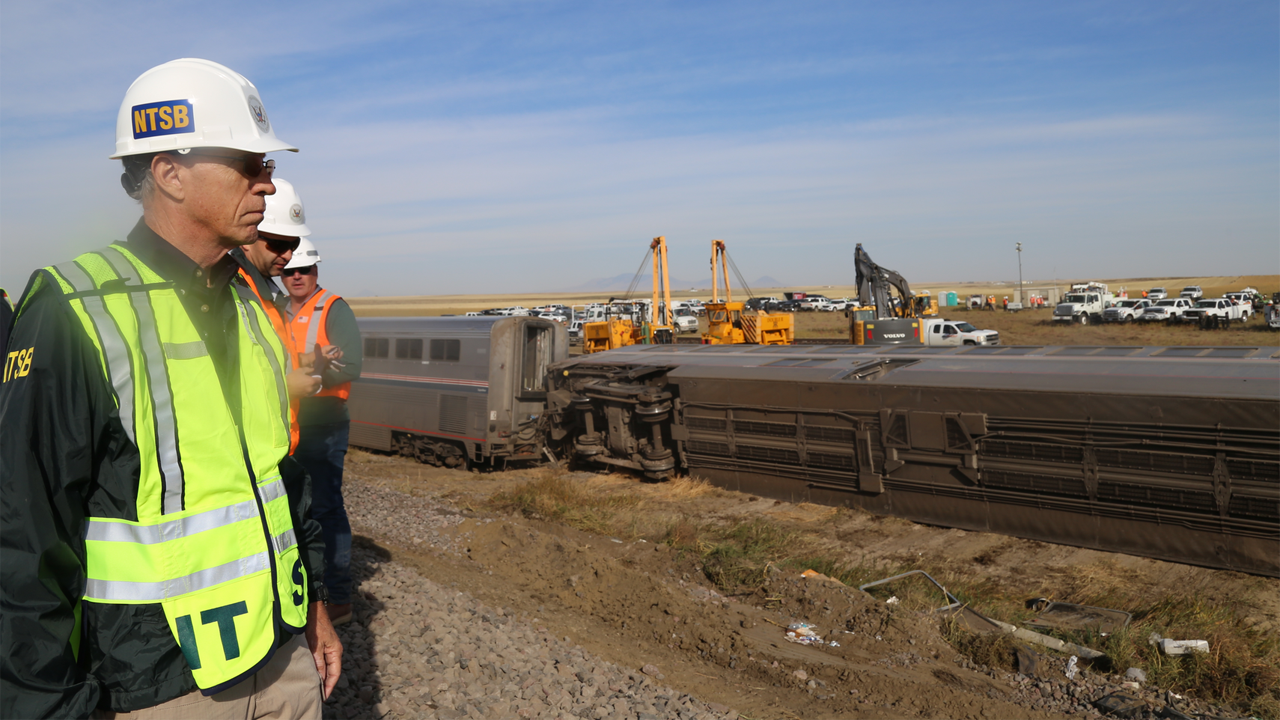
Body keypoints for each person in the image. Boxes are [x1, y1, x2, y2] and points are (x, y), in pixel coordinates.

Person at [0, 58, 340, 718]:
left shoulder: (251, 306)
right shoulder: (74, 310)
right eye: (249, 162)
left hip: (281, 657)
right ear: (170, 172)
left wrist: (316, 605)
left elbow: (282, 480)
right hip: (158, 685)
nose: (268, 185)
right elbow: (23, 534)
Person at [280, 240, 362, 626]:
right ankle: (308, 590)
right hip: (289, 418)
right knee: (296, 506)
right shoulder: (278, 309)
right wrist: (310, 363)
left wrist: (309, 374)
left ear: (316, 271)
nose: (296, 276)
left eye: (304, 270)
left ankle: (339, 598)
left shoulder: (333, 308)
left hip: (324, 420)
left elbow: (351, 366)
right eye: (289, 270)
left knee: (327, 508)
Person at [230, 178, 325, 452]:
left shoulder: (266, 294)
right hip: (251, 452)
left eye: (293, 244)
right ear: (248, 235)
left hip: (275, 447)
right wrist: (285, 387)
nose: (287, 255)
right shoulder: (232, 290)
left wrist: (300, 364)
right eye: (276, 244)